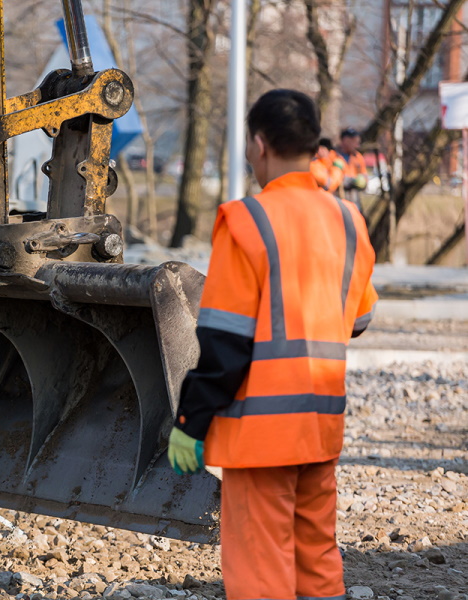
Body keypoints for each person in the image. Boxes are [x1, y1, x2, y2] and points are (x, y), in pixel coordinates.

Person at [167, 89, 378, 600]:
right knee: (316, 558)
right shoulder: (349, 221)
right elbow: (361, 317)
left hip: (261, 437)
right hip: (321, 423)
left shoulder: (247, 222)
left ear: (259, 145)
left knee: (260, 570)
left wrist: (190, 422)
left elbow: (225, 343)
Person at [337, 127, 369, 207]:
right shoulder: (333, 155)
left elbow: (365, 177)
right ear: (345, 141)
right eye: (354, 142)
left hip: (354, 201)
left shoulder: (358, 157)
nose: (357, 145)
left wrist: (362, 182)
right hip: (337, 201)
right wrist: (351, 181)